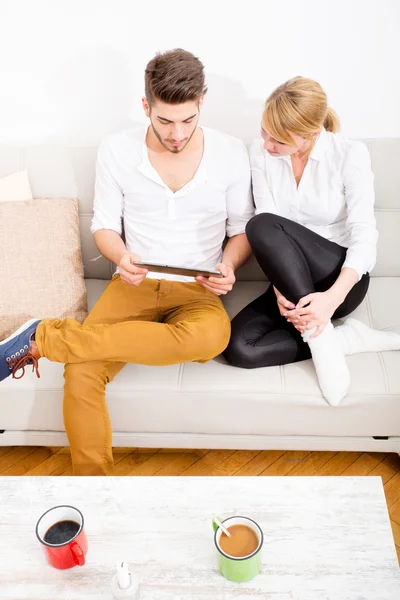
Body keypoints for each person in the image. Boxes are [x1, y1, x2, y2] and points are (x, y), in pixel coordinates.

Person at [0, 48, 254, 475]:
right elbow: (102, 227)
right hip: (131, 284)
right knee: (81, 374)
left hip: (196, 290)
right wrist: (121, 256)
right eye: (165, 120)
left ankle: (49, 337)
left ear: (202, 104)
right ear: (145, 107)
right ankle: (94, 488)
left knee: (211, 338)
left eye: (188, 120)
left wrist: (228, 266)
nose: (177, 133)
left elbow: (242, 228)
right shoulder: (117, 149)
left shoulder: (229, 152)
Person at [224, 76, 400, 404]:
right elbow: (271, 236)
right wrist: (279, 291)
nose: (266, 144)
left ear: (310, 135)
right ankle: (344, 340)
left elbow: (364, 237)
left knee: (259, 225)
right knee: (239, 349)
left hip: (338, 278)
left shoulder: (350, 155)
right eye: (264, 131)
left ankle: (318, 337)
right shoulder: (260, 153)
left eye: (277, 139)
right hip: (289, 282)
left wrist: (330, 301)